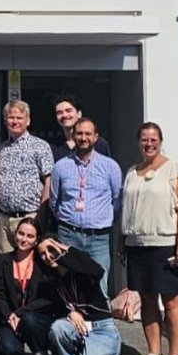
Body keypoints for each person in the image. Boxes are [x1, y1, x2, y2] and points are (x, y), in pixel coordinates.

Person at [120, 122, 178, 355]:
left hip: (165, 243)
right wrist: (121, 241)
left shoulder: (174, 170)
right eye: (144, 139)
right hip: (137, 244)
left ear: (160, 141)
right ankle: (153, 353)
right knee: (147, 298)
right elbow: (127, 210)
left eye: (153, 139)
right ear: (138, 142)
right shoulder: (132, 171)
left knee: (171, 300)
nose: (148, 144)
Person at [49, 117, 122, 292]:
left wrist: (103, 221)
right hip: (68, 235)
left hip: (99, 238)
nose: (83, 138)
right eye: (79, 133)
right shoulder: (60, 166)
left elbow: (118, 201)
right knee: (69, 286)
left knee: (99, 287)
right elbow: (54, 201)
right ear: (73, 136)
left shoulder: (110, 166)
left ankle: (99, 312)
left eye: (88, 134)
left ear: (96, 137)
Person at [39, 235, 120, 355]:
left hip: (100, 329)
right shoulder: (53, 280)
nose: (48, 256)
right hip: (78, 329)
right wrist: (70, 313)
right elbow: (55, 307)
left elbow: (97, 271)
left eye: (51, 250)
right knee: (58, 328)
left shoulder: (80, 271)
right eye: (42, 254)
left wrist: (67, 251)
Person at [0, 218, 57, 355]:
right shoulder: (1, 261)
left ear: (36, 240)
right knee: (9, 349)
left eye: (30, 236)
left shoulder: (43, 263)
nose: (24, 239)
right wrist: (9, 316)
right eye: (21, 234)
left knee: (29, 320)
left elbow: (47, 298)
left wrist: (20, 313)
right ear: (15, 234)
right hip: (10, 317)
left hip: (35, 317)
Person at [0, 100, 54, 254]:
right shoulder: (2, 148)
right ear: (5, 121)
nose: (15, 121)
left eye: (19, 118)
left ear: (28, 121)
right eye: (11, 117)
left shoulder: (40, 146)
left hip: (29, 216)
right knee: (7, 262)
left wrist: (41, 215)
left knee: (30, 262)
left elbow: (48, 182)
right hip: (4, 220)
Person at [51, 95, 111, 161]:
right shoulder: (53, 146)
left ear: (79, 114)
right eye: (59, 112)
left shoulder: (98, 143)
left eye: (68, 111)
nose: (64, 115)